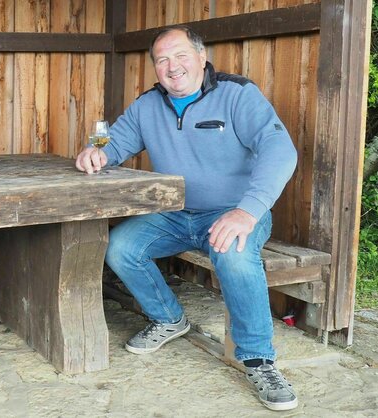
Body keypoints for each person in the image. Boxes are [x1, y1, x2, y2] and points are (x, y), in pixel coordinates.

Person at [76, 26, 299, 411]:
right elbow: (115, 141)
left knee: (233, 256)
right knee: (121, 246)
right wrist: (95, 152)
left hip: (235, 212)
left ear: (201, 57)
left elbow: (281, 149)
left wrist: (247, 211)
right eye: (161, 60)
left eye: (179, 56)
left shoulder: (237, 94)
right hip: (176, 215)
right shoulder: (148, 105)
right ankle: (169, 319)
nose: (171, 66)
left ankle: (259, 360)